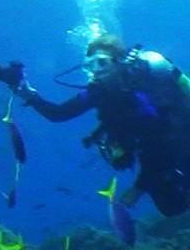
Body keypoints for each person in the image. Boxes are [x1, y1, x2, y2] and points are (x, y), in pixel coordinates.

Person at [12, 34, 190, 216]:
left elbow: (164, 144)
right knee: (172, 207)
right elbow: (59, 114)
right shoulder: (98, 92)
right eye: (90, 65)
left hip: (179, 139)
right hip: (155, 152)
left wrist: (137, 189)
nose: (96, 71)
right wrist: (27, 93)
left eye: (102, 62)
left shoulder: (142, 86)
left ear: (118, 61)